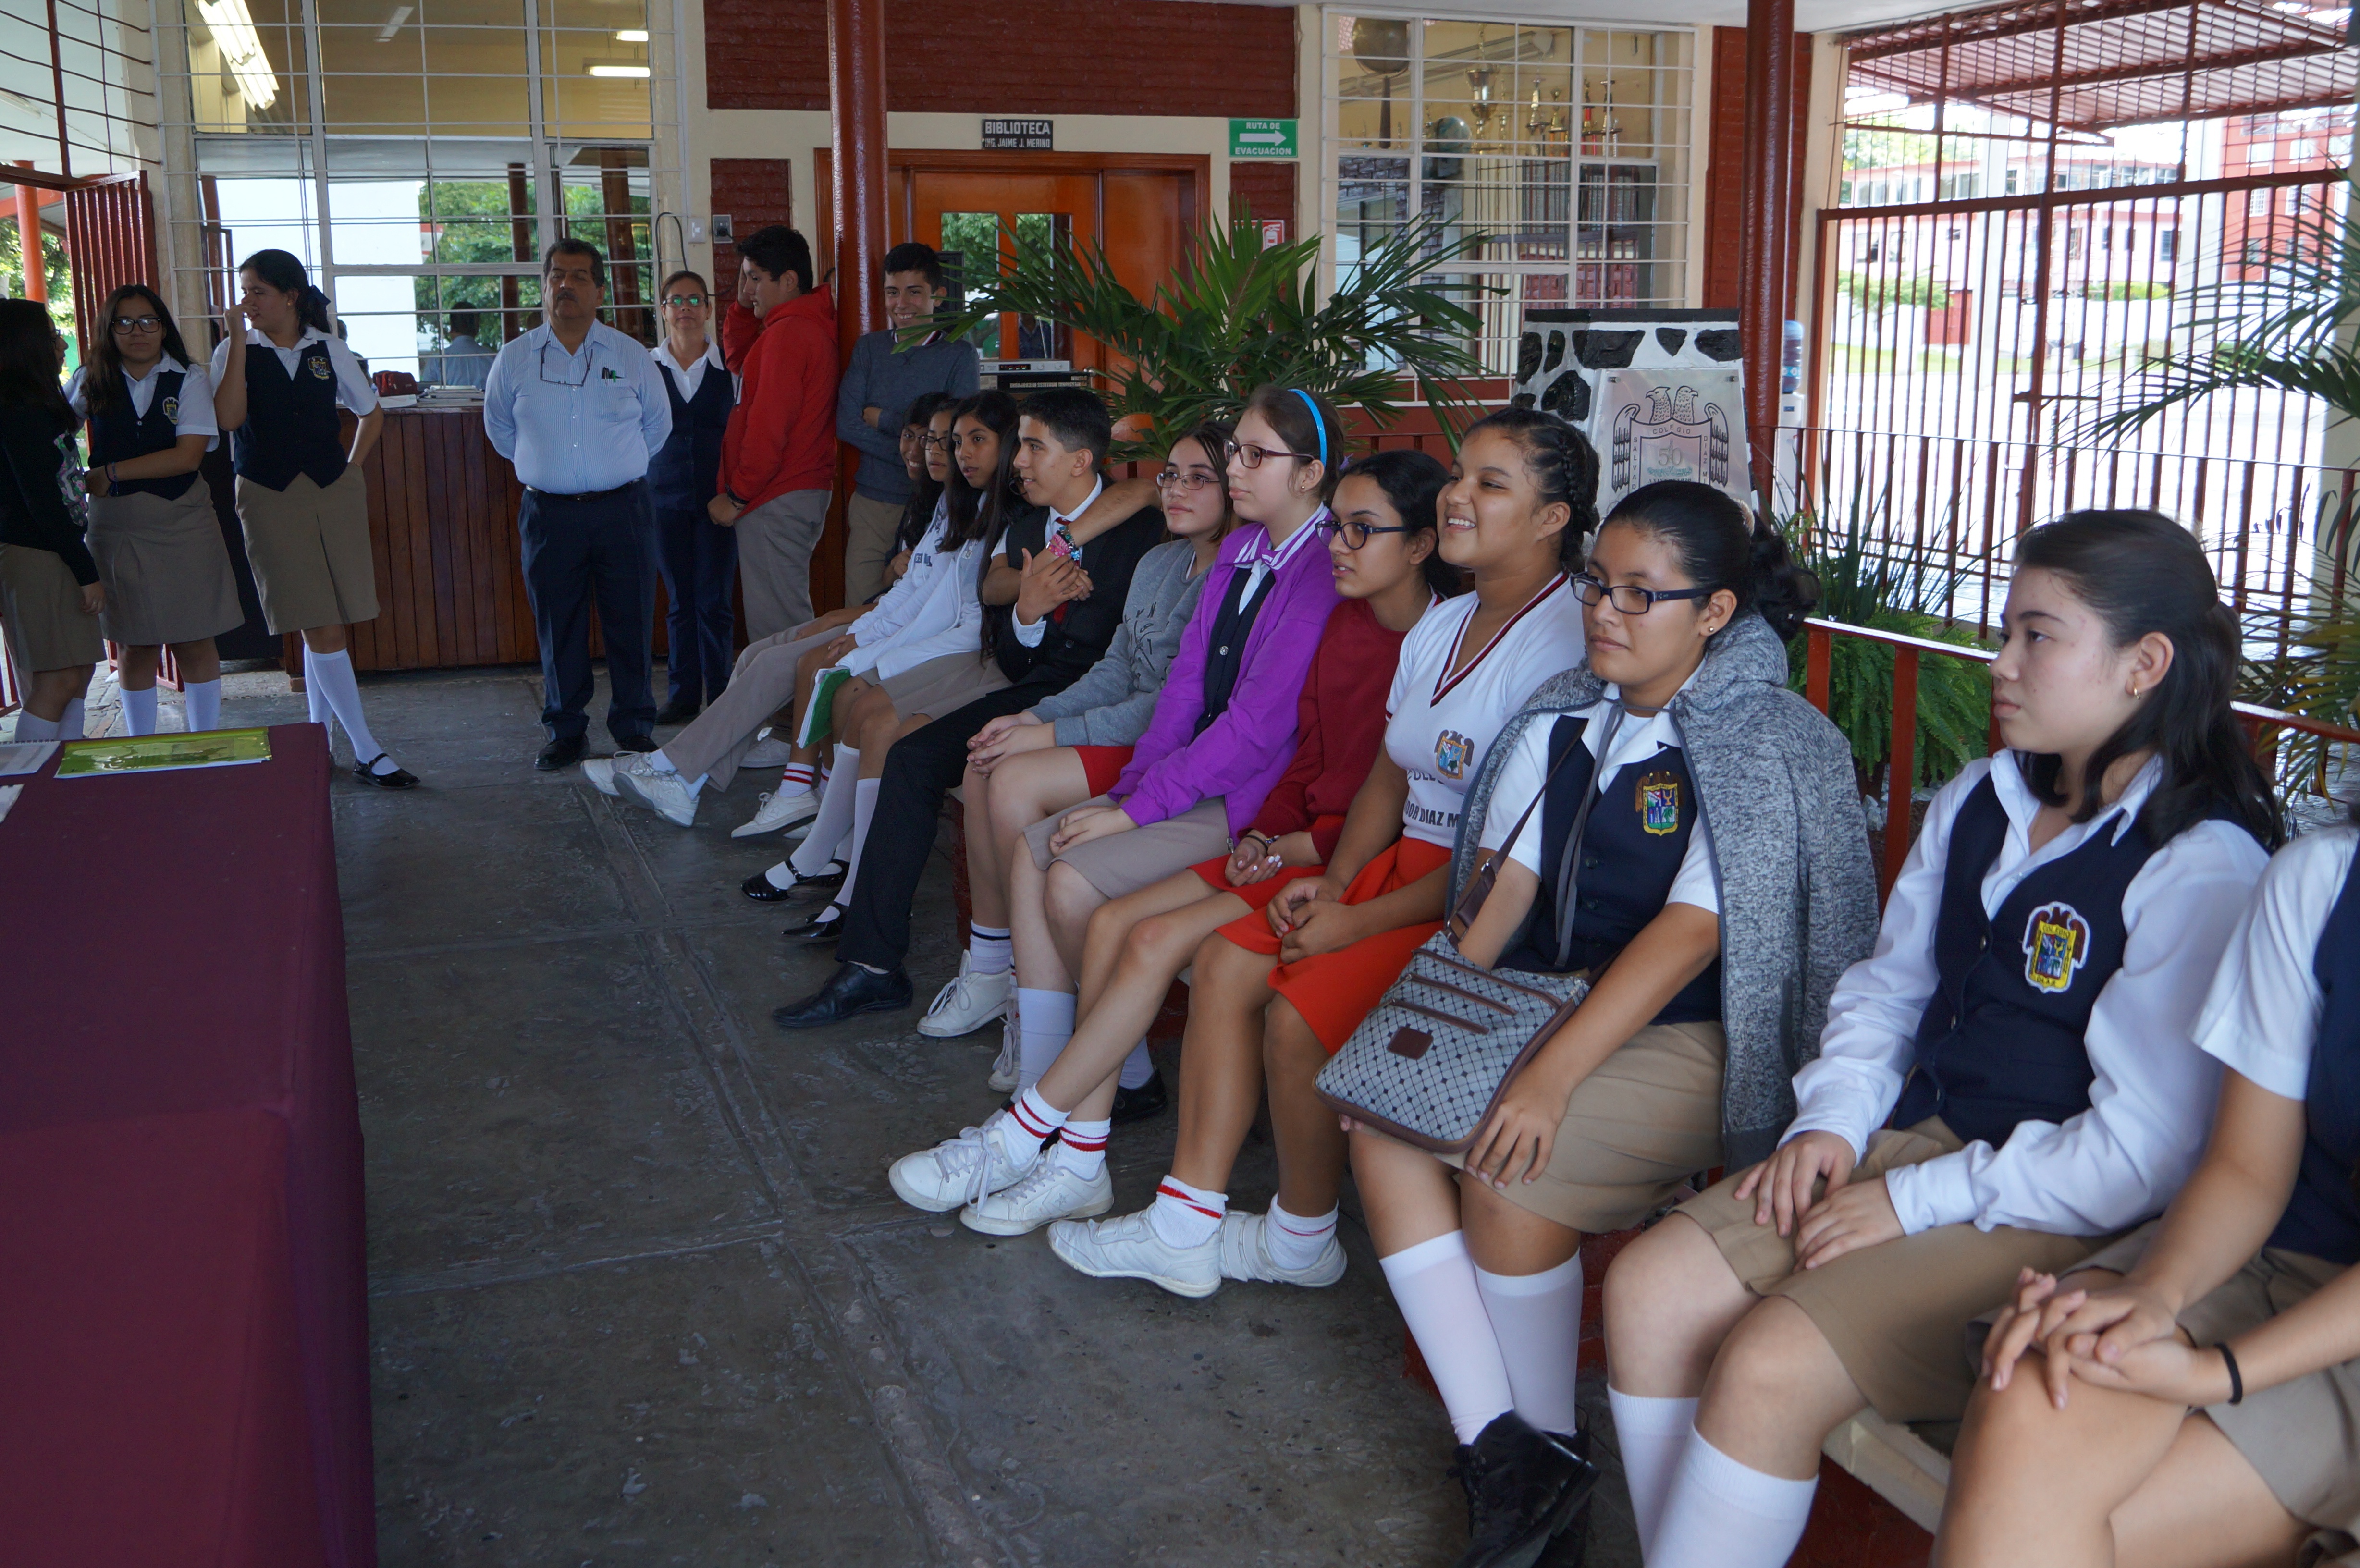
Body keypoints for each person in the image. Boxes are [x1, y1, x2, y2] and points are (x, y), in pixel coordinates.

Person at [1598, 508, 2282, 1568]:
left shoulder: (2199, 861)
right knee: (1647, 1291)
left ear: (2144, 664)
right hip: (1906, 1142)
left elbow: (2142, 1153)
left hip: (2053, 1208)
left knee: (1769, 1365)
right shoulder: (1980, 798)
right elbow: (1887, 993)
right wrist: (1830, 1124)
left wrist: (1911, 1200)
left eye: (2036, 636)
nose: (1999, 663)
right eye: (2005, 631)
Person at [1349, 481, 1876, 1568]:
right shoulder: (1566, 714)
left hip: (1704, 1036)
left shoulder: (1766, 741)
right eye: (1597, 585)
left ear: (1714, 611)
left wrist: (1547, 1078)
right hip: (1548, 1006)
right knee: (1379, 1117)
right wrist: (1425, 1022)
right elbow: (1502, 890)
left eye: (1642, 594)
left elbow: (1687, 935)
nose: (1604, 611)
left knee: (1507, 1171)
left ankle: (1539, 1461)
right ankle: (1519, 1458)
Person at [1035, 409, 1596, 1299]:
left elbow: (1506, 863)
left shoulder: (1565, 644)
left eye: (1490, 484)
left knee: (1292, 1009)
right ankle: (1185, 1216)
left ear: (1553, 518)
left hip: (1471, 898)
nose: (1458, 495)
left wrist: (1355, 913)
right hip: (1387, 866)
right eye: (1459, 474)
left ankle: (1297, 1232)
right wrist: (1332, 883)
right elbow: (1386, 774)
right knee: (1225, 961)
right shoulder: (1447, 622)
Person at [889, 446, 1459, 1239]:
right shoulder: (1338, 614)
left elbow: (1374, 792)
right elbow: (1303, 751)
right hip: (1283, 835)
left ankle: (1024, 1135)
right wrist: (1260, 828)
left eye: (1362, 530)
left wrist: (1285, 842)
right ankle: (1077, 1154)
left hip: (1336, 860)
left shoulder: (1425, 635)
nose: (1339, 545)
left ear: (1422, 544)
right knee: (1112, 918)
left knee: (1141, 927)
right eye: (1337, 528)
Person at [1942, 821, 2360, 1568]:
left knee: (2033, 1522)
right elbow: (2249, 1168)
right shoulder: (2324, 882)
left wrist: (2212, 1373)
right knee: (2042, 1389)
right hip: (2282, 1258)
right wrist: (2155, 1296)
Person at [772, 388, 1167, 1024]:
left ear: (1080, 460)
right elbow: (1012, 658)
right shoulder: (1028, 529)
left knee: (970, 761)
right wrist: (1029, 612)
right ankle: (872, 965)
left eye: (1034, 447)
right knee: (911, 757)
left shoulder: (1145, 531)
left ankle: (1003, 971)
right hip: (1034, 688)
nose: (1019, 461)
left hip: (1106, 701)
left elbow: (1133, 646)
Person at [916, 419, 1242, 1052]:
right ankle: (993, 965)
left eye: (1200, 479)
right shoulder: (1160, 561)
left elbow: (1166, 707)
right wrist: (1033, 720)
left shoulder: (1229, 580)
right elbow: (1116, 669)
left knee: (1012, 779)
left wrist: (1053, 734)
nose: (1175, 489)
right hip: (1122, 729)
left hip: (1164, 750)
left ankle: (1029, 998)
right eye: (1170, 475)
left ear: (1235, 488)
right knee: (987, 759)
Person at [603, 391, 1014, 835]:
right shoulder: (942, 502)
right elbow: (905, 589)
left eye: (952, 441)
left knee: (801, 664)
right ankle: (689, 774)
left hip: (915, 635)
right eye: (929, 439)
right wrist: (856, 619)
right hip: (887, 620)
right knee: (755, 655)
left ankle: (700, 773)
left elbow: (935, 606)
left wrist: (860, 630)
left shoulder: (983, 511)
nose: (932, 451)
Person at [212, 249, 413, 787]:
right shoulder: (235, 350)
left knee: (323, 617)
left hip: (330, 489)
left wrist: (352, 472)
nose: (247, 302)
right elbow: (228, 419)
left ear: (290, 296)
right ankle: (367, 749)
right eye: (244, 291)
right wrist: (236, 342)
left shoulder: (329, 348)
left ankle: (316, 738)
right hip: (268, 493)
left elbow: (371, 413)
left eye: (257, 292)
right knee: (318, 622)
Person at [480, 239, 672, 772]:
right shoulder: (515, 358)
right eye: (556, 275)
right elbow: (500, 431)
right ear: (544, 287)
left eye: (580, 277)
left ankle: (634, 728)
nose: (566, 285)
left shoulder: (631, 356)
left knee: (629, 621)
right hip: (549, 516)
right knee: (557, 624)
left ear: (600, 291)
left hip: (622, 512)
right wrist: (551, 471)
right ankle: (565, 731)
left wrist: (610, 468)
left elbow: (658, 428)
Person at [68, 284, 241, 735]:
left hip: (183, 521)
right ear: (109, 330)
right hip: (117, 527)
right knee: (135, 644)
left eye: (149, 321)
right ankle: (141, 748)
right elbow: (52, 432)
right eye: (124, 322)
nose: (138, 331)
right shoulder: (91, 378)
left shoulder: (189, 377)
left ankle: (204, 744)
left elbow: (188, 457)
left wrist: (111, 472)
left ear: (164, 328)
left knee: (196, 639)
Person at [708, 226, 836, 642]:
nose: (748, 289)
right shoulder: (795, 326)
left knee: (778, 630)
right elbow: (739, 359)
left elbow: (768, 428)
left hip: (775, 494)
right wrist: (744, 304)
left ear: (789, 280)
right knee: (782, 618)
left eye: (755, 278)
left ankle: (794, 690)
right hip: (789, 490)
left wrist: (738, 496)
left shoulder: (789, 334)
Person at [836, 241, 982, 606]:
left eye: (914, 292)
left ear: (938, 295)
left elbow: (954, 435)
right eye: (892, 293)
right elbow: (847, 424)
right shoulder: (869, 349)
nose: (901, 303)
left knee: (918, 612)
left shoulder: (959, 355)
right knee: (861, 606)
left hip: (937, 506)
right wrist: (916, 453)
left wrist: (886, 419)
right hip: (874, 503)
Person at [0, 299, 100, 743]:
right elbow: (43, 503)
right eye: (52, 335)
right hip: (38, 554)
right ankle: (29, 776)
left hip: (49, 552)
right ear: (25, 346)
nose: (61, 344)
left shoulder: (35, 406)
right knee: (58, 680)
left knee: (77, 673)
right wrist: (86, 572)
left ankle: (63, 769)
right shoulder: (19, 412)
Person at [645, 269, 736, 724]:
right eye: (676, 301)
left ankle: (721, 695)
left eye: (694, 300)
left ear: (708, 309)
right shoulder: (644, 368)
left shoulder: (731, 369)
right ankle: (682, 697)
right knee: (680, 602)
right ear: (663, 311)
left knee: (714, 602)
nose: (685, 308)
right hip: (662, 502)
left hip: (717, 504)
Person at [422, 305, 493, 391]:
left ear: (451, 328)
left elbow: (427, 392)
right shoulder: (492, 358)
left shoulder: (437, 360)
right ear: (477, 327)